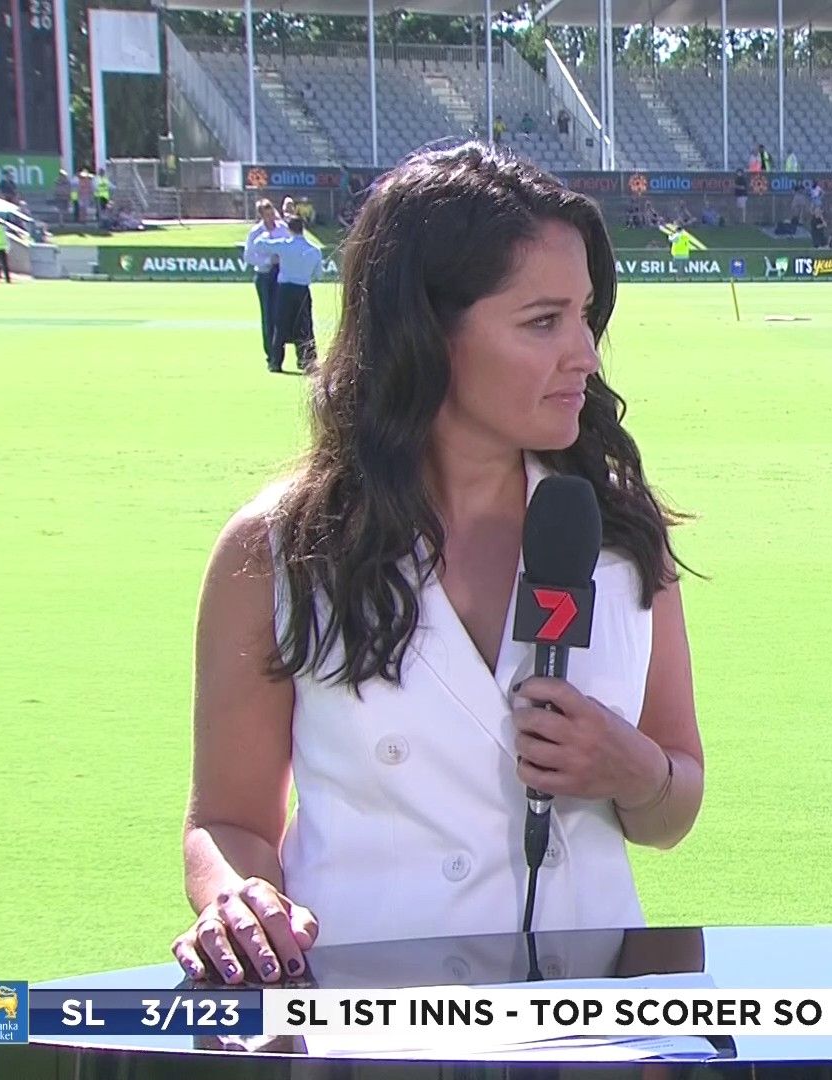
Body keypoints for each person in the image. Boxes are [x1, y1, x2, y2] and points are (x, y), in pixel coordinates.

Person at [173, 144, 704, 984]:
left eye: (586, 315)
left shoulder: (621, 534)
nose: (586, 354)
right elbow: (227, 821)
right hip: (362, 1019)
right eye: (543, 322)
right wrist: (238, 899)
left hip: (587, 1022)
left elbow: (673, 805)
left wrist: (635, 773)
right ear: (425, 333)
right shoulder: (275, 549)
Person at [250, 216, 322, 373]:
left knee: (280, 326)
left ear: (289, 230)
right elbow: (318, 275)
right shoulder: (314, 250)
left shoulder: (284, 246)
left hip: (285, 290)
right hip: (303, 290)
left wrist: (266, 234)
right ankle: (307, 361)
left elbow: (259, 244)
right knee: (305, 326)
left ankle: (276, 362)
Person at [244, 199, 287, 363]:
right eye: (267, 215)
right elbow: (248, 256)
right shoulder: (256, 232)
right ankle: (271, 353)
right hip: (264, 275)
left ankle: (279, 350)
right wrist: (268, 261)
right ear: (261, 215)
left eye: (272, 214)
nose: (271, 218)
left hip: (281, 274)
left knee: (280, 314)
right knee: (268, 314)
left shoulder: (282, 228)